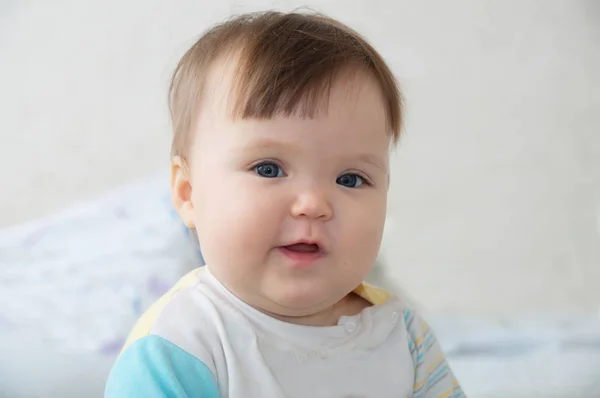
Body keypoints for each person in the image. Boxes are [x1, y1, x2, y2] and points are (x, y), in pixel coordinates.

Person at [105, 10, 465, 397]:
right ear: (189, 194)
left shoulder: (402, 336)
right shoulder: (179, 347)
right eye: (269, 169)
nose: (313, 204)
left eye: (350, 179)